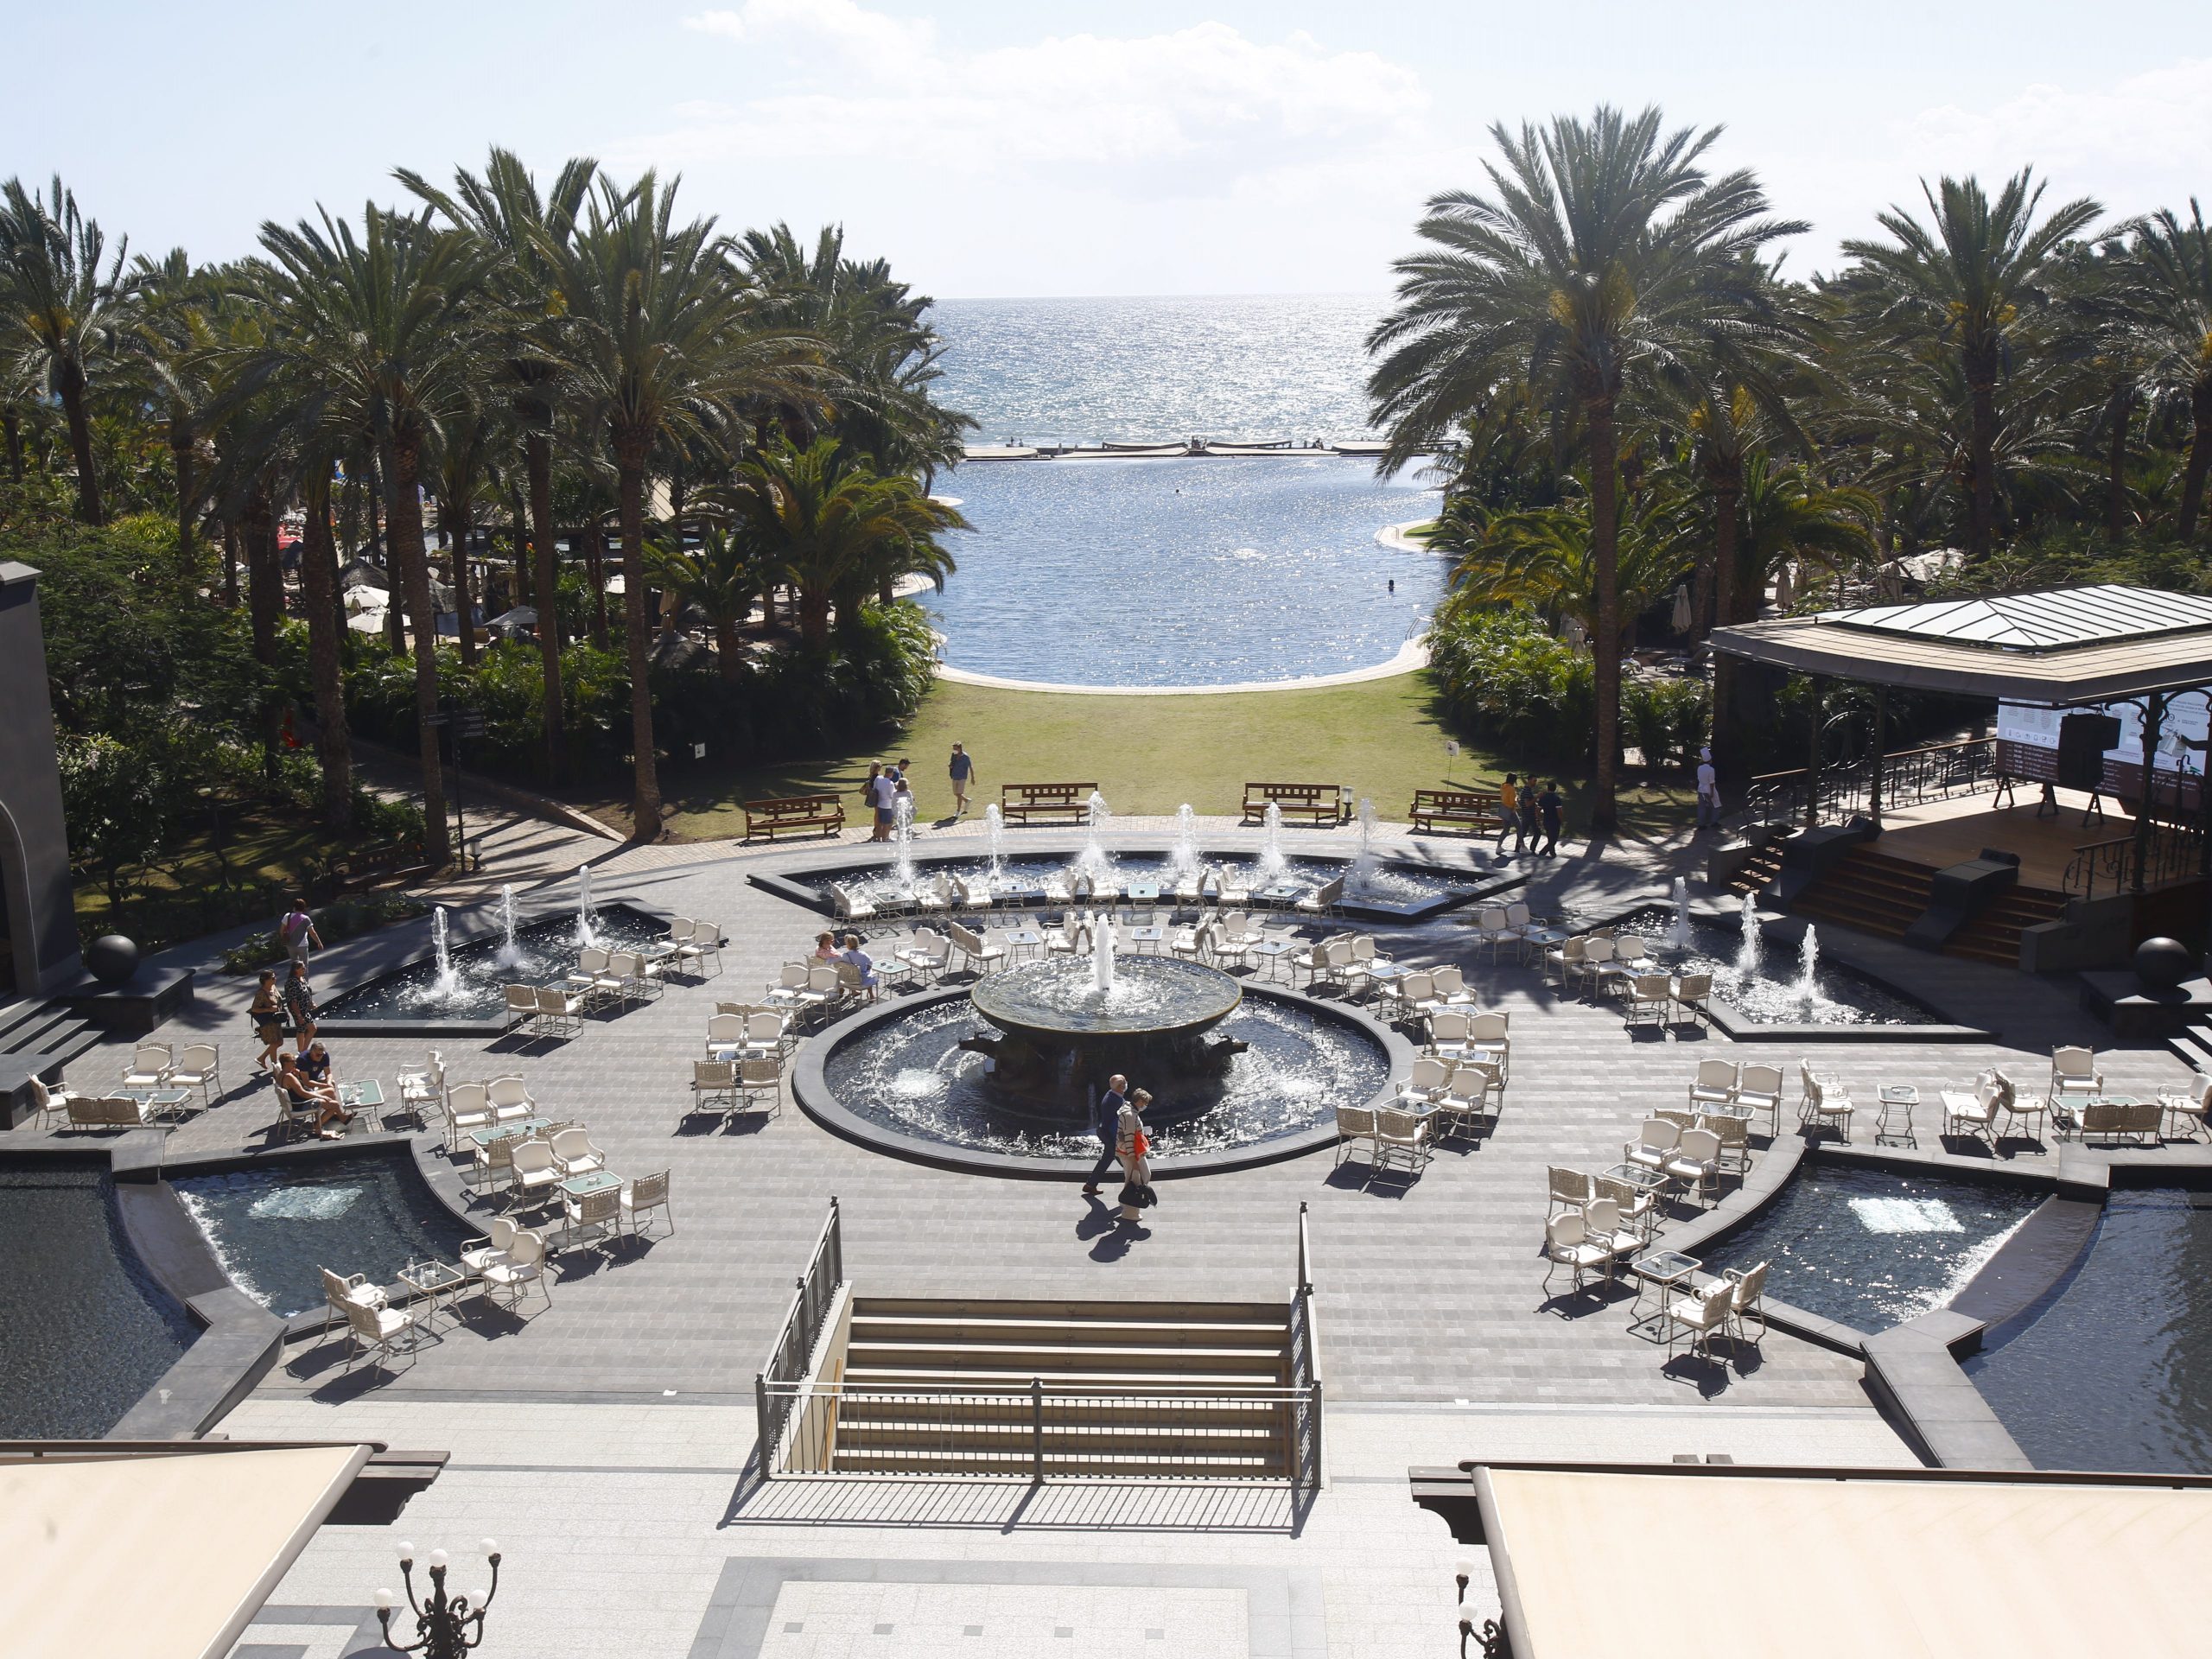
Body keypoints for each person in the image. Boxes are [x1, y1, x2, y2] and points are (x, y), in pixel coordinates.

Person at [276, 1052, 353, 1138]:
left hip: (297, 1100)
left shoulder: (281, 1074)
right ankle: (317, 1126)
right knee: (334, 1105)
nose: (295, 1063)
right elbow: (303, 1093)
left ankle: (339, 1117)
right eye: (293, 1061)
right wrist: (321, 1096)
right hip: (301, 1104)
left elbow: (296, 1090)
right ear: (286, 1063)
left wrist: (296, 1076)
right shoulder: (289, 1077)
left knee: (330, 1091)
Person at [1082, 1072, 1128, 1196]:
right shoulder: (1115, 1100)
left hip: (1107, 1133)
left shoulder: (1112, 1094)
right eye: (1122, 1083)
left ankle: (1090, 1185)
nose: (1125, 1084)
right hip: (1111, 1135)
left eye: (1124, 1081)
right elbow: (1117, 1120)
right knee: (1126, 1161)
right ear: (1118, 1087)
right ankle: (1136, 1183)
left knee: (1108, 1159)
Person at [1116, 1088, 1157, 1224]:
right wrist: (1133, 1159)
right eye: (1145, 1102)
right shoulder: (1130, 1115)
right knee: (1139, 1179)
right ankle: (1130, 1212)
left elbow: (1130, 1134)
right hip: (1132, 1153)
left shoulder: (1129, 1110)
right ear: (1139, 1101)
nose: (1145, 1105)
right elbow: (1129, 1137)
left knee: (1132, 1179)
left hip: (1131, 1151)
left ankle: (1126, 1204)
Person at [281, 959, 318, 1054]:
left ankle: (302, 1050)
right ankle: (303, 1050)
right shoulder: (292, 982)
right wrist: (299, 1016)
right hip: (298, 1009)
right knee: (310, 1028)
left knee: (302, 1029)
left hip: (305, 1008)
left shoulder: (302, 979)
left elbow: (307, 993)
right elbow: (293, 1001)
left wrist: (311, 1003)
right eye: (302, 968)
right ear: (296, 970)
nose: (305, 969)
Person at [250, 970, 284, 1071]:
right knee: (274, 1043)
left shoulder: (273, 988)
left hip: (276, 1020)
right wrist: (268, 1009)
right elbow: (254, 1009)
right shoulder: (261, 993)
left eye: (275, 977)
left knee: (279, 1042)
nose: (275, 979)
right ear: (266, 980)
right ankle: (275, 1066)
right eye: (272, 978)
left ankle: (261, 1058)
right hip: (268, 1022)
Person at [279, 898, 321, 969]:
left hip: (290, 945)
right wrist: (319, 942)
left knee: (294, 966)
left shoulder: (287, 916)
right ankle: (304, 980)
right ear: (303, 908)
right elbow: (312, 932)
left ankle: (296, 980)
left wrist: (285, 939)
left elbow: (281, 930)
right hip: (302, 945)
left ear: (294, 907)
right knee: (304, 966)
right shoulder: (305, 918)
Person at [840, 932, 878, 1001]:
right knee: (868, 973)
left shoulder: (845, 956)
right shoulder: (863, 954)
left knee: (851, 972)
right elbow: (870, 963)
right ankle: (871, 995)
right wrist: (867, 970)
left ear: (847, 945)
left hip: (851, 981)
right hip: (864, 980)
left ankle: (854, 991)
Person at [861, 762, 889, 842]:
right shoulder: (876, 777)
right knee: (878, 814)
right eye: (880, 766)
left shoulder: (871, 776)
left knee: (876, 813)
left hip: (874, 797)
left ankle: (876, 830)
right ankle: (876, 830)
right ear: (877, 768)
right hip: (877, 797)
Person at [1695, 747, 1720, 830]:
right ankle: (1714, 821)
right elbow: (1712, 782)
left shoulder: (1699, 768)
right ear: (1710, 760)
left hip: (1701, 789)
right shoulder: (1711, 769)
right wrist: (1712, 792)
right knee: (1716, 805)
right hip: (1708, 789)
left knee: (1701, 807)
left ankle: (1701, 824)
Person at [1538, 780, 1564, 857]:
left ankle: (1551, 852)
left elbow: (1537, 810)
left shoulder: (1543, 798)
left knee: (1550, 837)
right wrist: (1561, 820)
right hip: (1555, 821)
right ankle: (1545, 852)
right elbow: (1559, 811)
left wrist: (1539, 818)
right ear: (1555, 789)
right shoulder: (1556, 798)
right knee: (1554, 838)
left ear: (1548, 788)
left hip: (1546, 820)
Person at [1496, 775, 1521, 854]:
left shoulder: (1503, 787)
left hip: (1504, 809)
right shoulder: (1511, 788)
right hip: (1511, 810)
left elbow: (1504, 798)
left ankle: (1499, 846)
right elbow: (1512, 801)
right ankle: (1522, 846)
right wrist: (1516, 800)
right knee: (1519, 828)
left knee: (1506, 829)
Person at [948, 743, 974, 817]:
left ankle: (958, 811)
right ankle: (966, 800)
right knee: (955, 793)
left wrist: (972, 778)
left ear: (960, 748)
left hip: (962, 777)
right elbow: (951, 762)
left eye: (955, 748)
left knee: (959, 794)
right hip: (954, 776)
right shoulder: (953, 755)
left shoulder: (965, 757)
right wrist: (950, 765)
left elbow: (970, 767)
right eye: (953, 748)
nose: (954, 750)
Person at [1517, 777, 1540, 855]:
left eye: (1536, 781)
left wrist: (1534, 803)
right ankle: (1532, 850)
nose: (1535, 783)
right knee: (1537, 833)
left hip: (1526, 814)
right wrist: (1537, 797)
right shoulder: (1527, 791)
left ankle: (1517, 849)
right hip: (1529, 815)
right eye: (1534, 781)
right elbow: (1527, 804)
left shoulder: (1527, 790)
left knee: (1523, 833)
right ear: (1529, 780)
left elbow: (1528, 802)